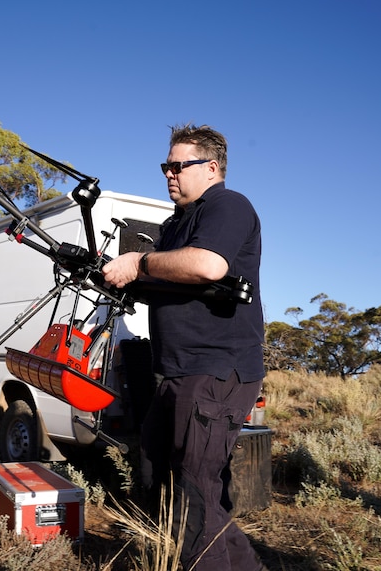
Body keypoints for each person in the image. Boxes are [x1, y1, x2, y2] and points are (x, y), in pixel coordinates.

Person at [101, 124, 266, 571]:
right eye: (165, 167)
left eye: (178, 166)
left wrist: (138, 262)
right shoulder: (175, 225)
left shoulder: (228, 206)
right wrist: (119, 277)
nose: (169, 174)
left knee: (192, 495)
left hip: (215, 371)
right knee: (168, 480)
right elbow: (167, 285)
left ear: (211, 168)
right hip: (173, 372)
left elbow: (208, 265)